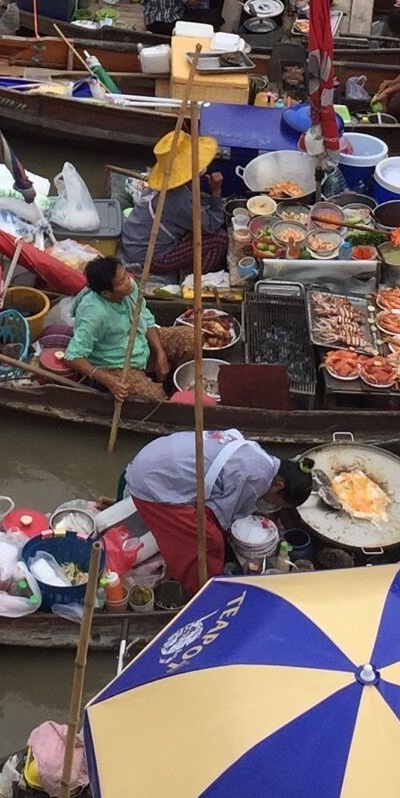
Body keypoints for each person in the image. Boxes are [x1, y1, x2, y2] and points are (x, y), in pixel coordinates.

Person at [123, 427, 309, 591]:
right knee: (208, 541)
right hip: (151, 482)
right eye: (276, 502)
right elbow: (216, 516)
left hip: (156, 454)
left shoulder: (260, 455)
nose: (272, 505)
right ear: (278, 485)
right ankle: (201, 589)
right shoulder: (258, 478)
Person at [63, 256, 195, 403]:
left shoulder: (129, 288)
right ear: (107, 293)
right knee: (156, 399)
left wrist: (160, 354)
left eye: (126, 275)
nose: (128, 281)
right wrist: (108, 380)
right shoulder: (94, 314)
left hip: (140, 343)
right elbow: (72, 357)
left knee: (191, 338)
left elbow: (146, 319)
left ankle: (173, 379)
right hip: (116, 363)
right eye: (121, 281)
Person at [117, 133, 227, 280]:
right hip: (147, 257)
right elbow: (212, 225)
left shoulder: (164, 182)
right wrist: (216, 191)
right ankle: (190, 280)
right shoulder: (178, 198)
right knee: (219, 239)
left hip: (134, 240)